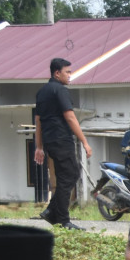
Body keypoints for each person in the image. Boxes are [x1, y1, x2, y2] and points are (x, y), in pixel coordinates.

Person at [34, 57, 92, 231]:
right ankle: (62, 219)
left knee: (66, 176)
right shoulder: (60, 91)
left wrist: (39, 146)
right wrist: (84, 141)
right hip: (62, 139)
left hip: (50, 141)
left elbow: (38, 121)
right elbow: (70, 117)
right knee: (71, 175)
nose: (70, 76)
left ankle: (52, 211)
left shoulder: (42, 92)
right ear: (57, 73)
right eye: (67, 72)